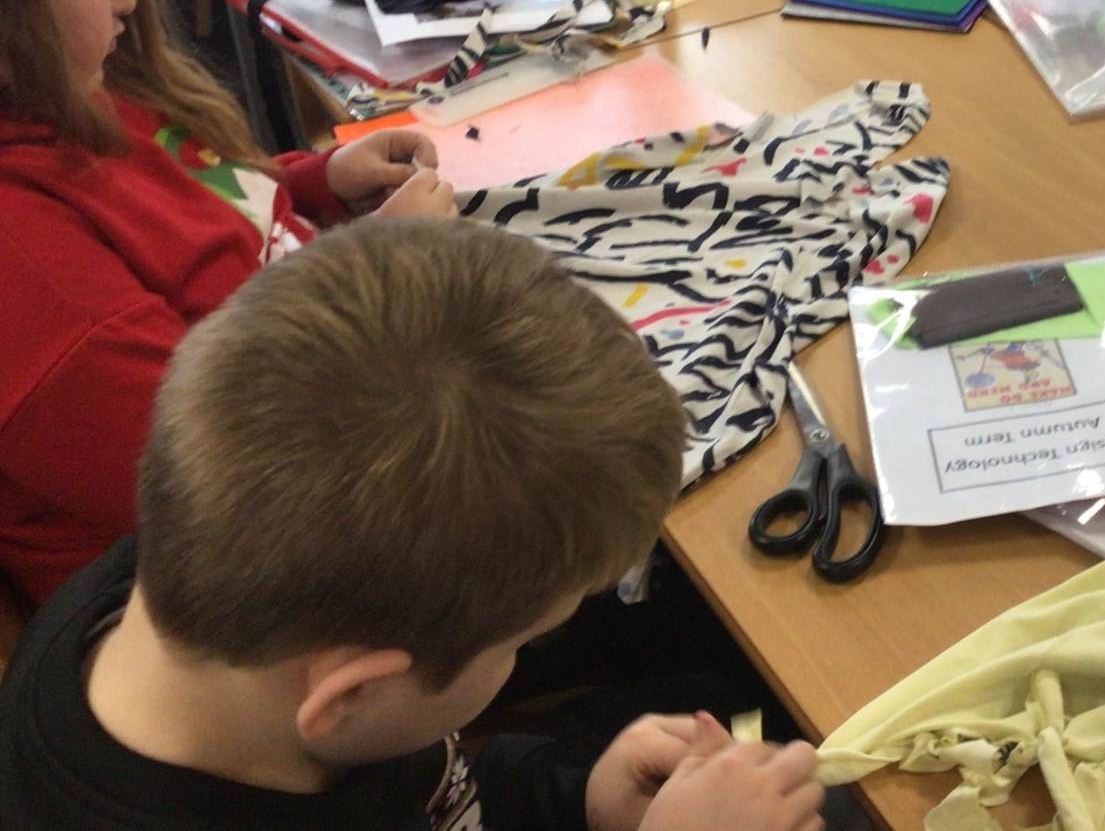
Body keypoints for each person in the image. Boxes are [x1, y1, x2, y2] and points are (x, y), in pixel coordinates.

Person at [0, 216, 826, 831]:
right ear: (352, 691)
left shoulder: (179, 588)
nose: (521, 659)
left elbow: (434, 792)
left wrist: (577, 801)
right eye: (522, 643)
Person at [0, 0, 457, 608]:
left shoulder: (76, 90)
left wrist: (316, 183)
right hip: (264, 584)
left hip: (329, 416)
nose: (132, 0)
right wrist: (374, 272)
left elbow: (188, 204)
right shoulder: (24, 267)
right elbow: (221, 476)